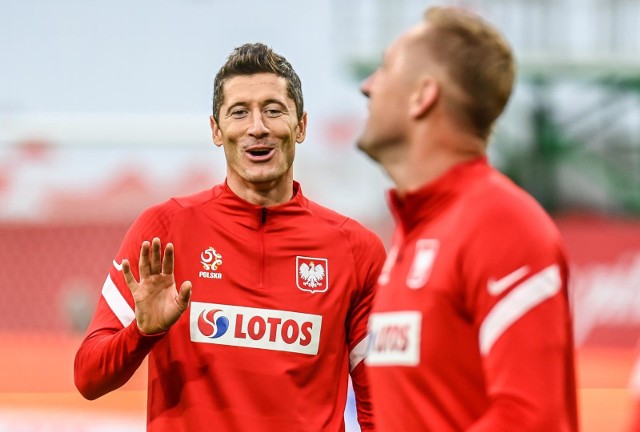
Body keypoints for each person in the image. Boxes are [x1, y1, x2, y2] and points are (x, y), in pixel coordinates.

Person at [74, 42, 386, 432]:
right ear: (216, 131)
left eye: (274, 110)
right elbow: (88, 377)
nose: (258, 127)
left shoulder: (355, 250)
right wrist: (143, 332)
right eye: (239, 113)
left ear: (301, 126)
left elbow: (380, 404)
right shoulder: (163, 231)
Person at [357, 6, 578, 431]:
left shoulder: (502, 224)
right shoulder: (414, 229)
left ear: (423, 96)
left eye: (385, 70)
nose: (368, 87)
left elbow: (531, 419)